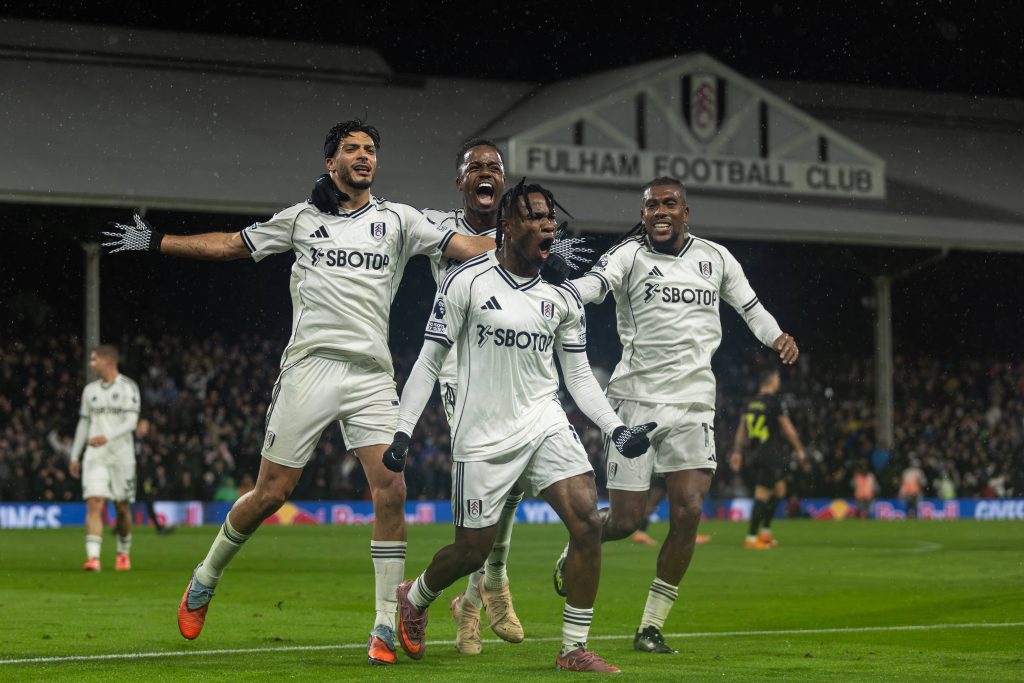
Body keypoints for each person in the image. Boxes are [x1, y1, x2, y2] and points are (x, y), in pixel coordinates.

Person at [103, 119, 494, 665]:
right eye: (352, 149)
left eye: (371, 150)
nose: (364, 156)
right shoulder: (302, 219)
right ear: (330, 162)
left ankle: (384, 624)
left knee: (392, 488)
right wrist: (157, 242)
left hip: (370, 374)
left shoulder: (399, 220)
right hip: (308, 368)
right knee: (271, 493)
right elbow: (231, 246)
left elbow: (471, 246)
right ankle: (205, 575)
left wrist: (531, 245)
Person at [381, 180, 656, 673]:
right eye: (533, 215)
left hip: (544, 420)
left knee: (587, 523)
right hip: (482, 434)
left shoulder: (562, 298)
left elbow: (577, 376)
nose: (547, 223)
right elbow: (428, 362)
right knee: (472, 551)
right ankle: (415, 596)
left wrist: (615, 429)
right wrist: (403, 430)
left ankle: (573, 648)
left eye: (550, 216)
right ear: (506, 227)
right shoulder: (464, 281)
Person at [554, 176, 799, 655]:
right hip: (636, 402)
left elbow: (751, 308)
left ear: (686, 212)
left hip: (693, 404)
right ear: (643, 213)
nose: (660, 211)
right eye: (651, 206)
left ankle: (650, 626)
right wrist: (558, 290)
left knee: (687, 512)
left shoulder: (717, 258)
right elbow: (593, 285)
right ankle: (577, 545)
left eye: (669, 204)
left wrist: (776, 336)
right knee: (625, 521)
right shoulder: (628, 255)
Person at [313, 139, 525, 655]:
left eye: (494, 167)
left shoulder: (521, 227)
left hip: (517, 366)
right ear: (460, 181)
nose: (485, 172)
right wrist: (324, 193)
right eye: (475, 166)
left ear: (503, 179)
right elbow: (376, 210)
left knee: (516, 479)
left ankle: (485, 582)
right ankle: (475, 596)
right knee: (490, 479)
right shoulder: (436, 223)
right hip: (459, 368)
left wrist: (550, 249)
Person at [68, 345, 141, 572]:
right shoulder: (90, 391)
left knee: (121, 507)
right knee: (94, 502)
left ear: (108, 361)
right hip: (95, 455)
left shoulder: (128, 387)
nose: (91, 364)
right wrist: (74, 454)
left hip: (122, 456)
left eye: (94, 360)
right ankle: (93, 558)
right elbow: (84, 422)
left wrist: (106, 437)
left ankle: (122, 552)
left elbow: (131, 423)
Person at [731, 368, 807, 548]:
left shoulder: (749, 403)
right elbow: (787, 429)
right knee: (763, 494)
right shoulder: (775, 402)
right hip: (770, 454)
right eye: (778, 378)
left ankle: (765, 533)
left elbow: (741, 430)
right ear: (772, 380)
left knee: (780, 490)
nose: (779, 382)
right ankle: (751, 538)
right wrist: (799, 449)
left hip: (758, 452)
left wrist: (737, 451)